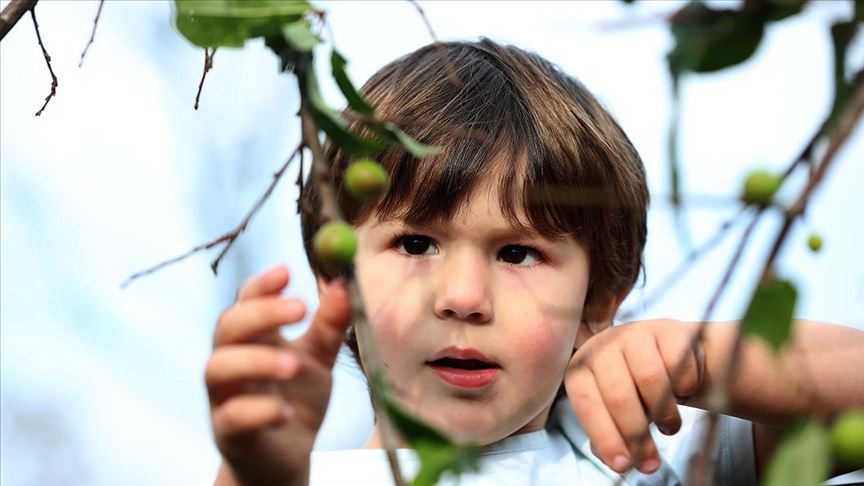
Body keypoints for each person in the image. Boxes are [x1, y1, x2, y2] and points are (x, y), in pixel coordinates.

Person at [204, 40, 864, 485]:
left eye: (518, 253)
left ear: (600, 299)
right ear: (338, 277)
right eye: (415, 244)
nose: (463, 296)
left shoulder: (631, 452)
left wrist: (702, 361)